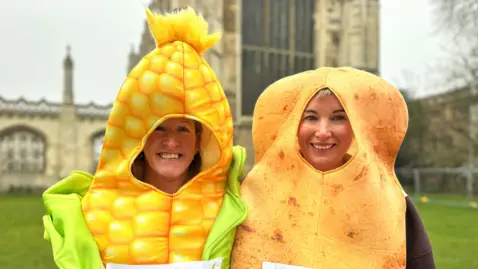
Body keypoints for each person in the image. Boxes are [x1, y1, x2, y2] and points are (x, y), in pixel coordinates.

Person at [42, 7, 248, 269]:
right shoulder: (88, 216)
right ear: (139, 137)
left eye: (183, 129)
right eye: (159, 128)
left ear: (199, 140)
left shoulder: (235, 212)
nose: (171, 141)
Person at [230, 67, 435, 269]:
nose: (323, 131)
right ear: (294, 125)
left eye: (338, 118)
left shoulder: (391, 200)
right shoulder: (251, 193)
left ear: (356, 126)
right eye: (311, 117)